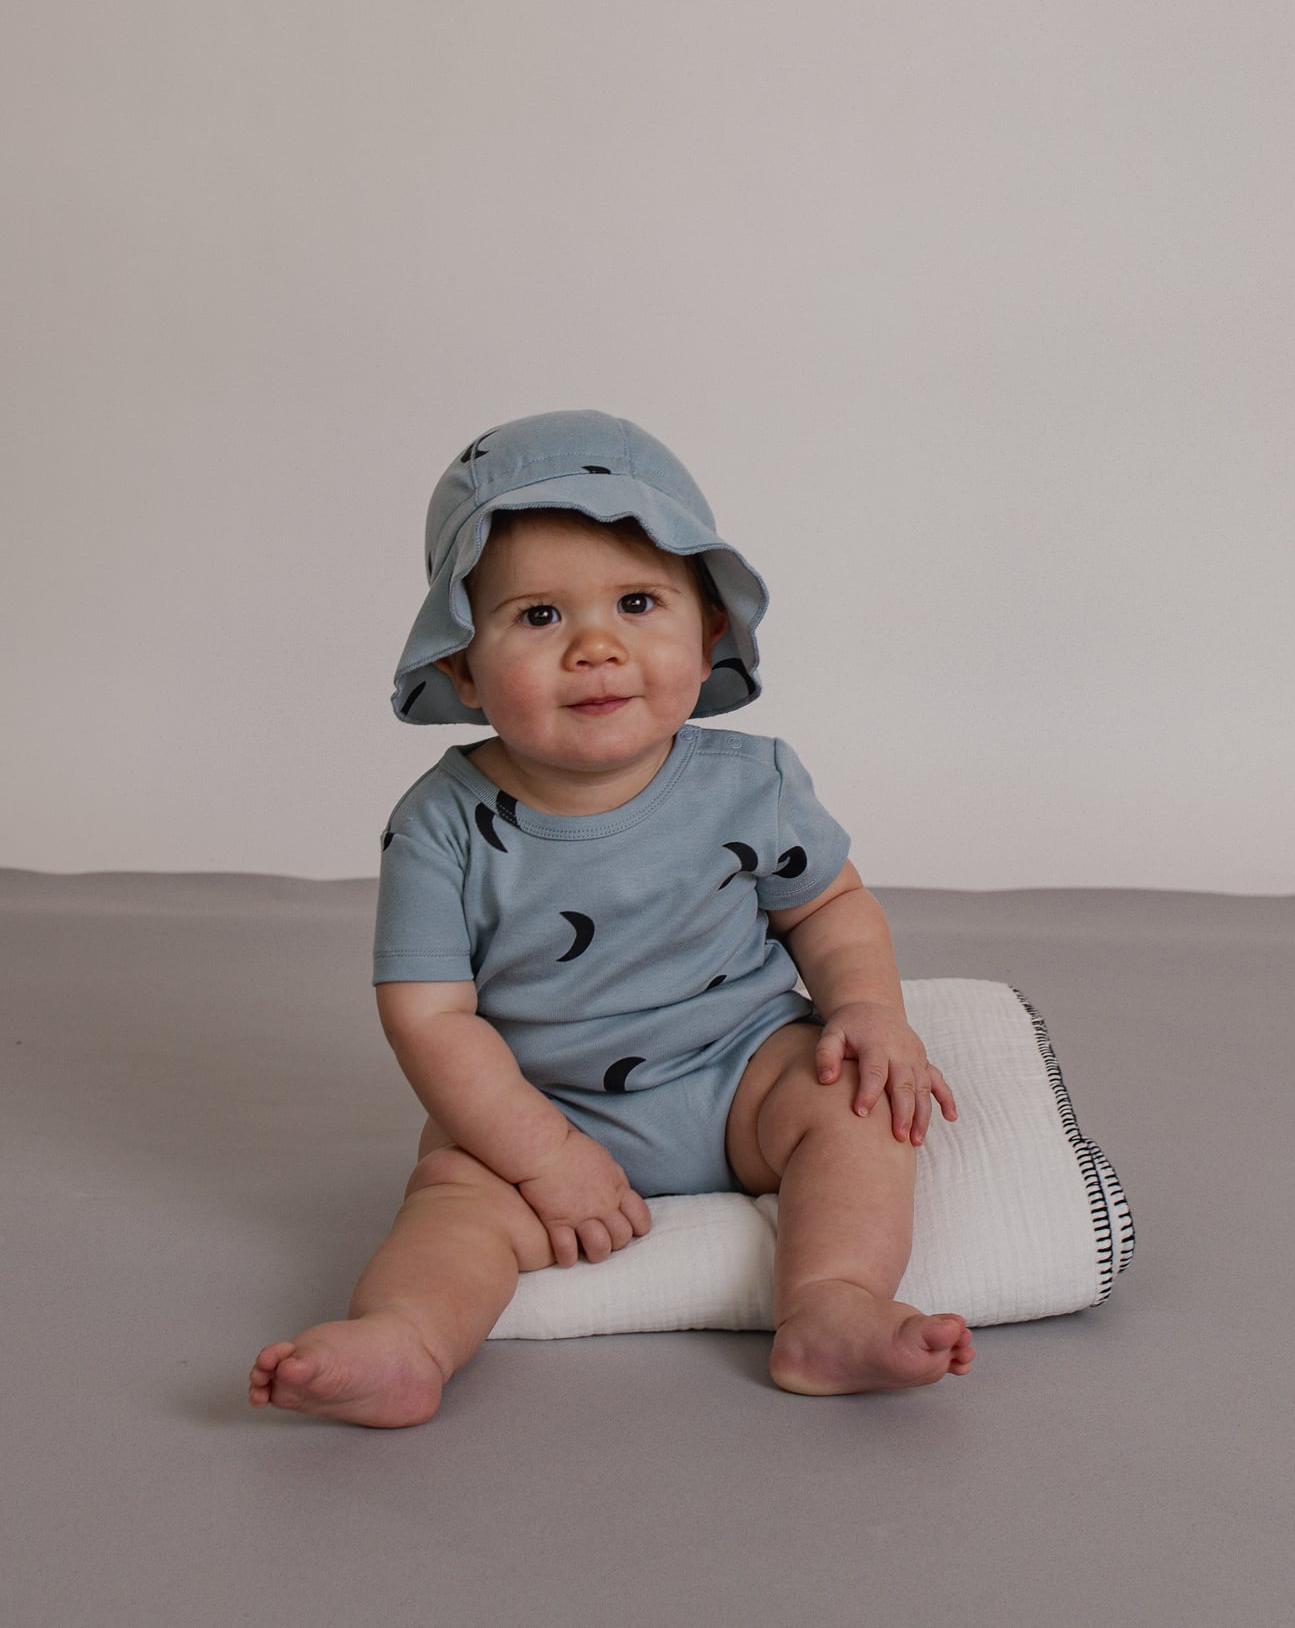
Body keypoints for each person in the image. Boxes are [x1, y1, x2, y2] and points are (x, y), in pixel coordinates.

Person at [249, 411, 974, 1425]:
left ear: (707, 631)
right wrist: (542, 1156)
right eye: (539, 616)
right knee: (455, 1199)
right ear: (461, 666)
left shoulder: (750, 784)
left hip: (740, 1073)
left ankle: (830, 1303)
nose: (595, 647)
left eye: (637, 603)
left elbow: (829, 904)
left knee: (857, 1109)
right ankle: (404, 1340)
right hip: (540, 1104)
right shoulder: (441, 825)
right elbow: (429, 1018)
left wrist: (867, 1008)